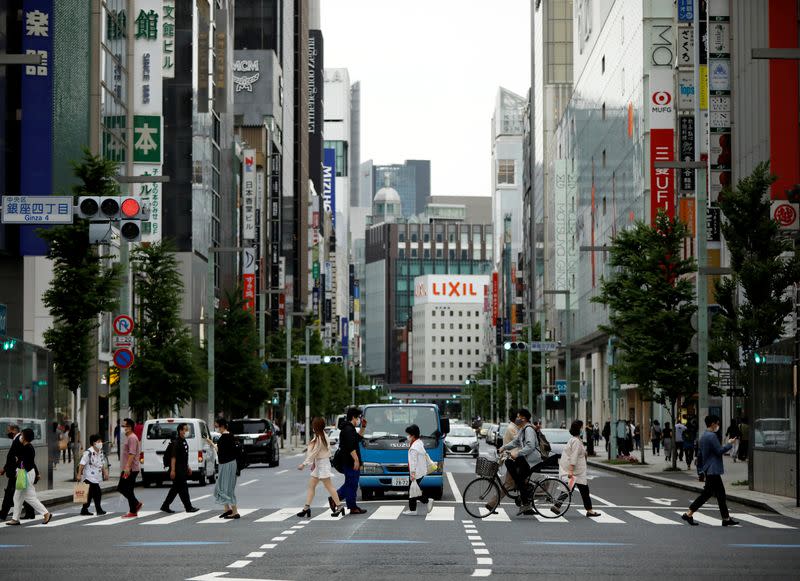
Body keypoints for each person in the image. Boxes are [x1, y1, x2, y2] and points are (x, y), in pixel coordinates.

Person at [681, 415, 740, 527]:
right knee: (708, 494)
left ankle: (726, 518)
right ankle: (688, 514)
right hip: (713, 469)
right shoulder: (712, 436)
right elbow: (719, 451)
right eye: (717, 423)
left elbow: (700, 454)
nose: (718, 425)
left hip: (709, 468)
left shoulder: (703, 436)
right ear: (712, 424)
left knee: (720, 494)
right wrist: (729, 443)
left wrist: (701, 470)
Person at [297, 417, 345, 518]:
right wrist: (314, 463)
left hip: (323, 464)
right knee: (312, 486)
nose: (312, 427)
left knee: (329, 486)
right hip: (320, 464)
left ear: (316, 426)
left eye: (313, 425)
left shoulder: (320, 437)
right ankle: (306, 508)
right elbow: (317, 453)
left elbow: (315, 452)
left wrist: (304, 464)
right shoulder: (320, 436)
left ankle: (340, 506)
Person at [5, 428, 52, 525]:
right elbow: (28, 462)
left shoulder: (28, 448)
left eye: (22, 435)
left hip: (25, 474)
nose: (20, 437)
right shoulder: (26, 447)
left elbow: (24, 463)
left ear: (25, 437)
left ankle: (46, 513)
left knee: (28, 497)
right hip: (26, 473)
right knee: (18, 497)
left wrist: (18, 463)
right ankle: (15, 519)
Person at [500, 408, 541, 515]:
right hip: (525, 459)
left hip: (531, 461)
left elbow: (530, 446)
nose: (517, 419)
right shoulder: (522, 429)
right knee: (509, 463)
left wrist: (517, 454)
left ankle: (525, 502)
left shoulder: (529, 429)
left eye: (518, 417)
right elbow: (515, 442)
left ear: (523, 418)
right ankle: (524, 497)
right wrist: (504, 448)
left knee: (520, 479)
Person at [557, 420, 601, 517]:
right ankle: (589, 510)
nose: (583, 429)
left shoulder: (575, 439)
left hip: (576, 470)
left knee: (569, 488)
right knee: (584, 490)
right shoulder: (576, 441)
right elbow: (574, 456)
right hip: (577, 471)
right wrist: (571, 471)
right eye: (581, 427)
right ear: (579, 429)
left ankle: (557, 505)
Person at [333, 407, 368, 515]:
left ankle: (340, 501)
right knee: (352, 484)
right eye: (358, 417)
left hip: (348, 461)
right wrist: (356, 460)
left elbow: (357, 439)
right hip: (349, 461)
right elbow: (350, 446)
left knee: (350, 484)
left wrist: (363, 427)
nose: (359, 419)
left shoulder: (349, 428)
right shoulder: (348, 429)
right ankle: (349, 505)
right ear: (353, 417)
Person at [161, 423, 200, 514]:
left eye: (187, 429)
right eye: (185, 429)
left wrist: (188, 467)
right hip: (177, 470)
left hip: (182, 468)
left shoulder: (184, 441)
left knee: (175, 489)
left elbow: (184, 457)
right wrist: (173, 470)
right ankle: (188, 507)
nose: (187, 431)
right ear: (180, 431)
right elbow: (173, 457)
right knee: (183, 488)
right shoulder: (176, 442)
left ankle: (165, 505)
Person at [206, 418, 240, 519]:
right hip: (230, 463)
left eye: (217, 426)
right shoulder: (230, 436)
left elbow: (219, 450)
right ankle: (228, 509)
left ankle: (235, 512)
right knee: (223, 487)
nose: (216, 428)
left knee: (224, 488)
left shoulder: (224, 437)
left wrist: (210, 443)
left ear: (221, 426)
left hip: (226, 464)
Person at [0, 423, 35, 521]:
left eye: (9, 430)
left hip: (18, 471)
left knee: (10, 493)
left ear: (14, 430)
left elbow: (20, 457)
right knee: (20, 493)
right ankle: (30, 512)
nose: (8, 432)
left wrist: (5, 468)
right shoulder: (18, 440)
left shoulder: (19, 440)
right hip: (18, 470)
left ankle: (3, 514)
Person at [402, 423, 433, 516]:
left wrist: (412, 474)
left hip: (416, 472)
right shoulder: (419, 443)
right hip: (420, 471)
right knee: (413, 489)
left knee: (412, 490)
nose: (407, 436)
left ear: (413, 435)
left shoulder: (414, 447)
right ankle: (413, 509)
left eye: (409, 435)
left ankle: (426, 501)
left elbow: (413, 462)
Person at [77, 434, 109, 516]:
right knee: (97, 493)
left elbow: (102, 464)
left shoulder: (100, 452)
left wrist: (105, 473)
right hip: (88, 477)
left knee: (90, 495)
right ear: (93, 443)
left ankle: (84, 509)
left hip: (96, 477)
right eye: (99, 441)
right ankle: (99, 509)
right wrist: (79, 474)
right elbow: (82, 464)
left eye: (101, 441)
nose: (101, 443)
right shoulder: (88, 453)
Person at [119, 418, 143, 518]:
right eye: (123, 426)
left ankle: (135, 505)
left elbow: (132, 453)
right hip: (129, 468)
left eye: (125, 426)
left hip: (131, 468)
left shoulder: (132, 438)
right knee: (127, 489)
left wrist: (128, 467)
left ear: (130, 427)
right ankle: (133, 510)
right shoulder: (129, 437)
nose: (123, 428)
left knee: (123, 488)